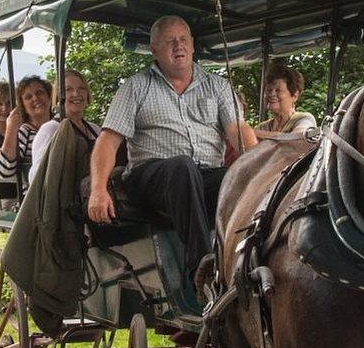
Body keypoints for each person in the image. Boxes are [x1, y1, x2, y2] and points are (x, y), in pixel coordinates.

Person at [87, 15, 246, 282]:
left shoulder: (217, 86)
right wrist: (98, 190)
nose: (178, 46)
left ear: (193, 45)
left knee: (240, 178)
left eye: (183, 39)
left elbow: (238, 133)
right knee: (182, 166)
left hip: (204, 175)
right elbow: (108, 141)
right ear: (154, 49)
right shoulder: (137, 87)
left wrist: (258, 170)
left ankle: (248, 263)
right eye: (169, 41)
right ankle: (203, 269)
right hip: (150, 178)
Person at [30, 70, 100, 179]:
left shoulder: (95, 130)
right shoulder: (51, 129)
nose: (76, 94)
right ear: (59, 97)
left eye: (81, 88)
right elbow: (36, 176)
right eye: (68, 89)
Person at [0, 75, 53, 180]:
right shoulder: (24, 133)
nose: (35, 98)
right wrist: (11, 130)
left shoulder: (61, 126)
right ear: (23, 106)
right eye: (28, 97)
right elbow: (3, 171)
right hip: (36, 195)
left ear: (49, 97)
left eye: (39, 92)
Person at [253, 64, 316, 138]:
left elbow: (297, 138)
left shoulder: (304, 119)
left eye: (278, 90)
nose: (271, 94)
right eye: (269, 90)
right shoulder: (262, 127)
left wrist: (250, 133)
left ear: (295, 95)